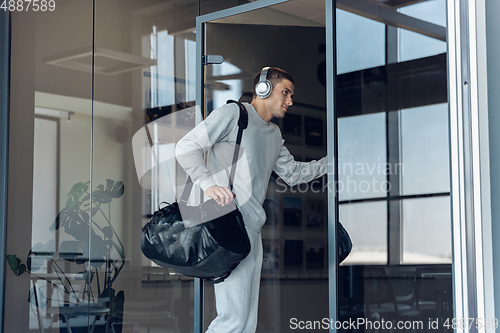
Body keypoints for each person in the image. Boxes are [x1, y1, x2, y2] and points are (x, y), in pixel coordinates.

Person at [175, 67, 327, 333]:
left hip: (251, 228)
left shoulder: (274, 134)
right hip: (225, 224)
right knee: (233, 319)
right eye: (285, 92)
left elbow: (292, 174)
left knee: (246, 321)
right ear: (263, 89)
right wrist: (209, 185)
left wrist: (331, 164)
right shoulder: (233, 114)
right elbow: (186, 147)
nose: (290, 101)